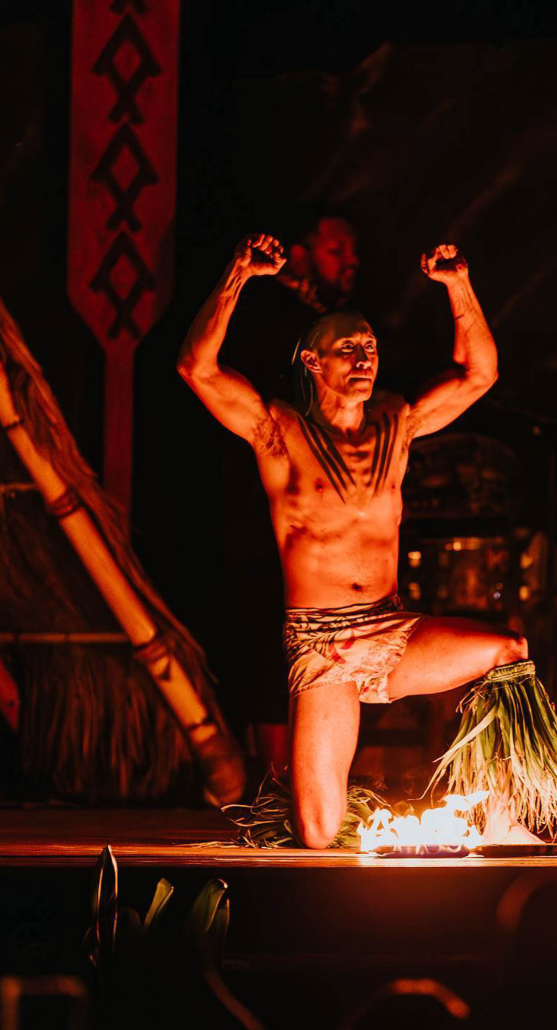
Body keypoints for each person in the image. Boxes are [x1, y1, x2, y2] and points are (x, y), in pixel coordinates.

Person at [179, 233, 557, 848]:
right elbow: (197, 368)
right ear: (314, 363)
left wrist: (457, 285)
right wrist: (237, 272)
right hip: (323, 644)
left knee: (508, 650)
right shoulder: (277, 432)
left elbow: (481, 374)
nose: (365, 358)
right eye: (348, 349)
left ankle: (502, 812)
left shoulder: (397, 421)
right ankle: (371, 821)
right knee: (318, 832)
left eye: (370, 347)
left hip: (392, 631)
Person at [219, 210, 360, 773]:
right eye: (338, 249)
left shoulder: (330, 324)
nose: (351, 262)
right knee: (268, 637)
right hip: (267, 506)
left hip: (323, 510)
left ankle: (315, 780)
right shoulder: (272, 317)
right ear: (300, 256)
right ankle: (276, 784)